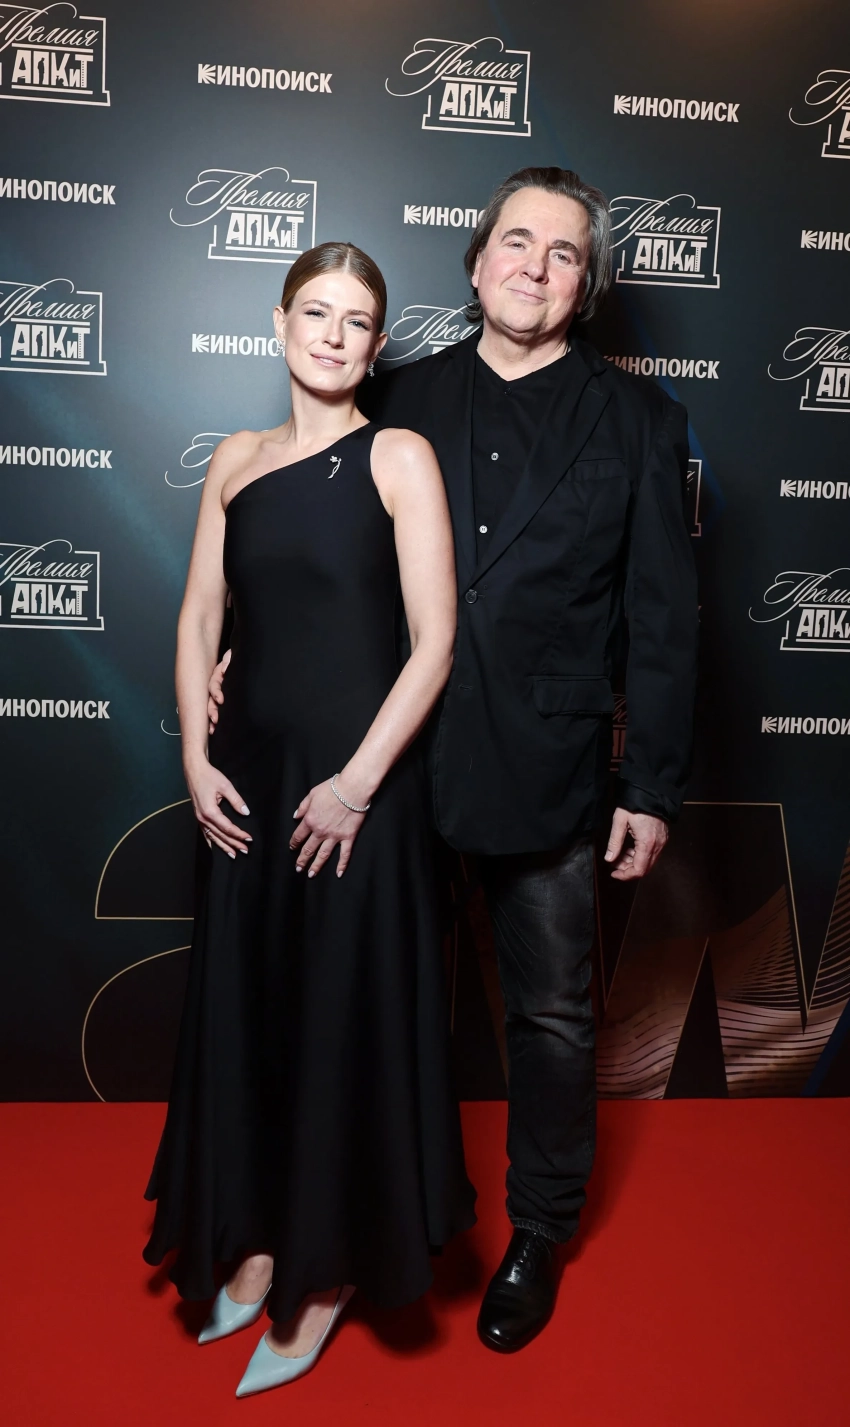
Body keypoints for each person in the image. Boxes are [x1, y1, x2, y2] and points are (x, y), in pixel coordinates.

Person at [210, 168, 700, 1353]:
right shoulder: (400, 394)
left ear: (586, 287)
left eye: (565, 253)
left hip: (547, 763)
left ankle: (537, 1227)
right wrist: (246, 645)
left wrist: (648, 785)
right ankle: (363, 1214)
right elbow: (314, 535)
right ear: (475, 263)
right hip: (388, 761)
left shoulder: (638, 419)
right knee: (369, 998)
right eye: (516, 242)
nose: (535, 266)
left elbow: (664, 614)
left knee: (551, 1016)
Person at [144, 241, 476, 1397]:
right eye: (316, 313)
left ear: (376, 345)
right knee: (260, 1015)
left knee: (342, 1020)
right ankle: (260, 1234)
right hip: (245, 779)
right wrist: (194, 755)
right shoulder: (235, 457)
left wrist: (357, 782)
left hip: (359, 794)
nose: (334, 336)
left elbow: (435, 638)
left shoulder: (397, 454)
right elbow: (199, 616)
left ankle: (327, 1271)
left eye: (358, 321)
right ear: (278, 324)